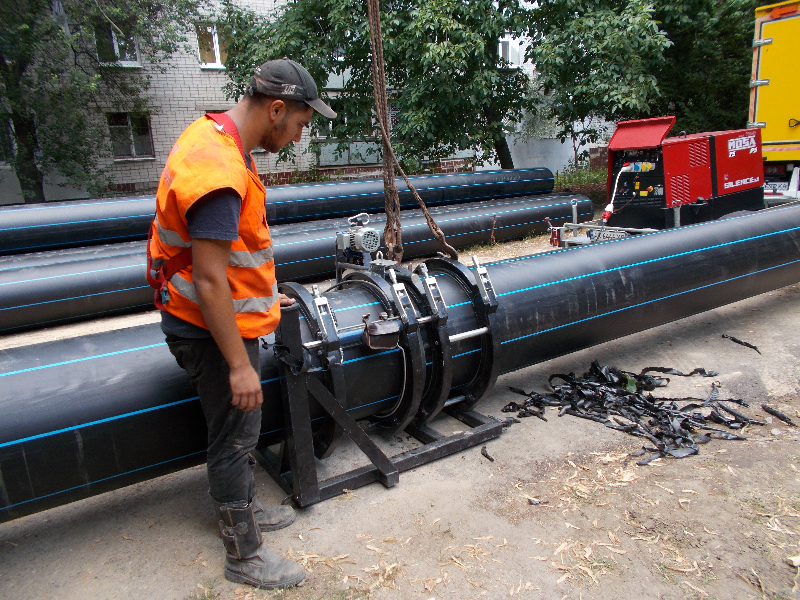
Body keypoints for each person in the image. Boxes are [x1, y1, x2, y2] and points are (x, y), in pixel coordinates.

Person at [146, 58, 336, 590]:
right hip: (206, 328)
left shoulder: (214, 137)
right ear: (276, 109)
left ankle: (243, 509)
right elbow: (209, 280)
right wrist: (238, 366)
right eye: (299, 123)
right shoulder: (221, 173)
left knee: (235, 432)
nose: (299, 136)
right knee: (234, 435)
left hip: (207, 320)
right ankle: (244, 555)